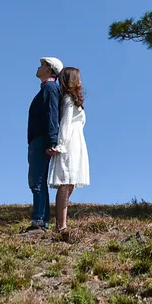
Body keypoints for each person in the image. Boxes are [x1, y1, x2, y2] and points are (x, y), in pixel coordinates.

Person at [48, 66, 89, 233]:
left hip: (77, 142)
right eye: (77, 77)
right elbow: (65, 123)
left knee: (70, 182)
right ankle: (61, 225)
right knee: (65, 182)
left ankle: (62, 222)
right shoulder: (67, 100)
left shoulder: (73, 99)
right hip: (70, 143)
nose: (80, 81)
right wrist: (61, 145)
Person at [23, 56, 62, 232]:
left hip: (41, 141)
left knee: (37, 180)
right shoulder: (47, 88)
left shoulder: (50, 88)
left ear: (50, 69)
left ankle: (39, 221)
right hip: (38, 141)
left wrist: (52, 141)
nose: (38, 67)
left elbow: (52, 115)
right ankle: (40, 220)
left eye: (42, 65)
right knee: (36, 180)